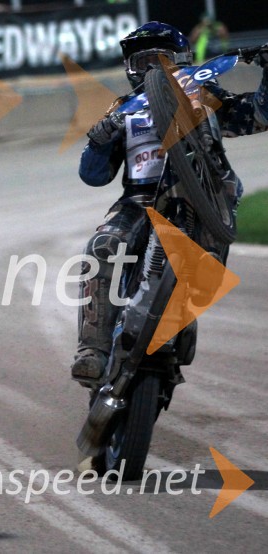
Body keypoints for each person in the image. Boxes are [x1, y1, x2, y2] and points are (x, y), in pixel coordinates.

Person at [70, 22, 268, 381]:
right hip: (137, 201)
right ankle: (92, 350)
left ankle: (176, 316)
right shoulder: (122, 108)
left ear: (182, 61)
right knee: (102, 246)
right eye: (142, 62)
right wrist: (99, 141)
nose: (152, 70)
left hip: (195, 196)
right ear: (130, 69)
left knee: (204, 260)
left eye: (161, 61)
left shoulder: (203, 95)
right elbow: (94, 175)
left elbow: (257, 115)